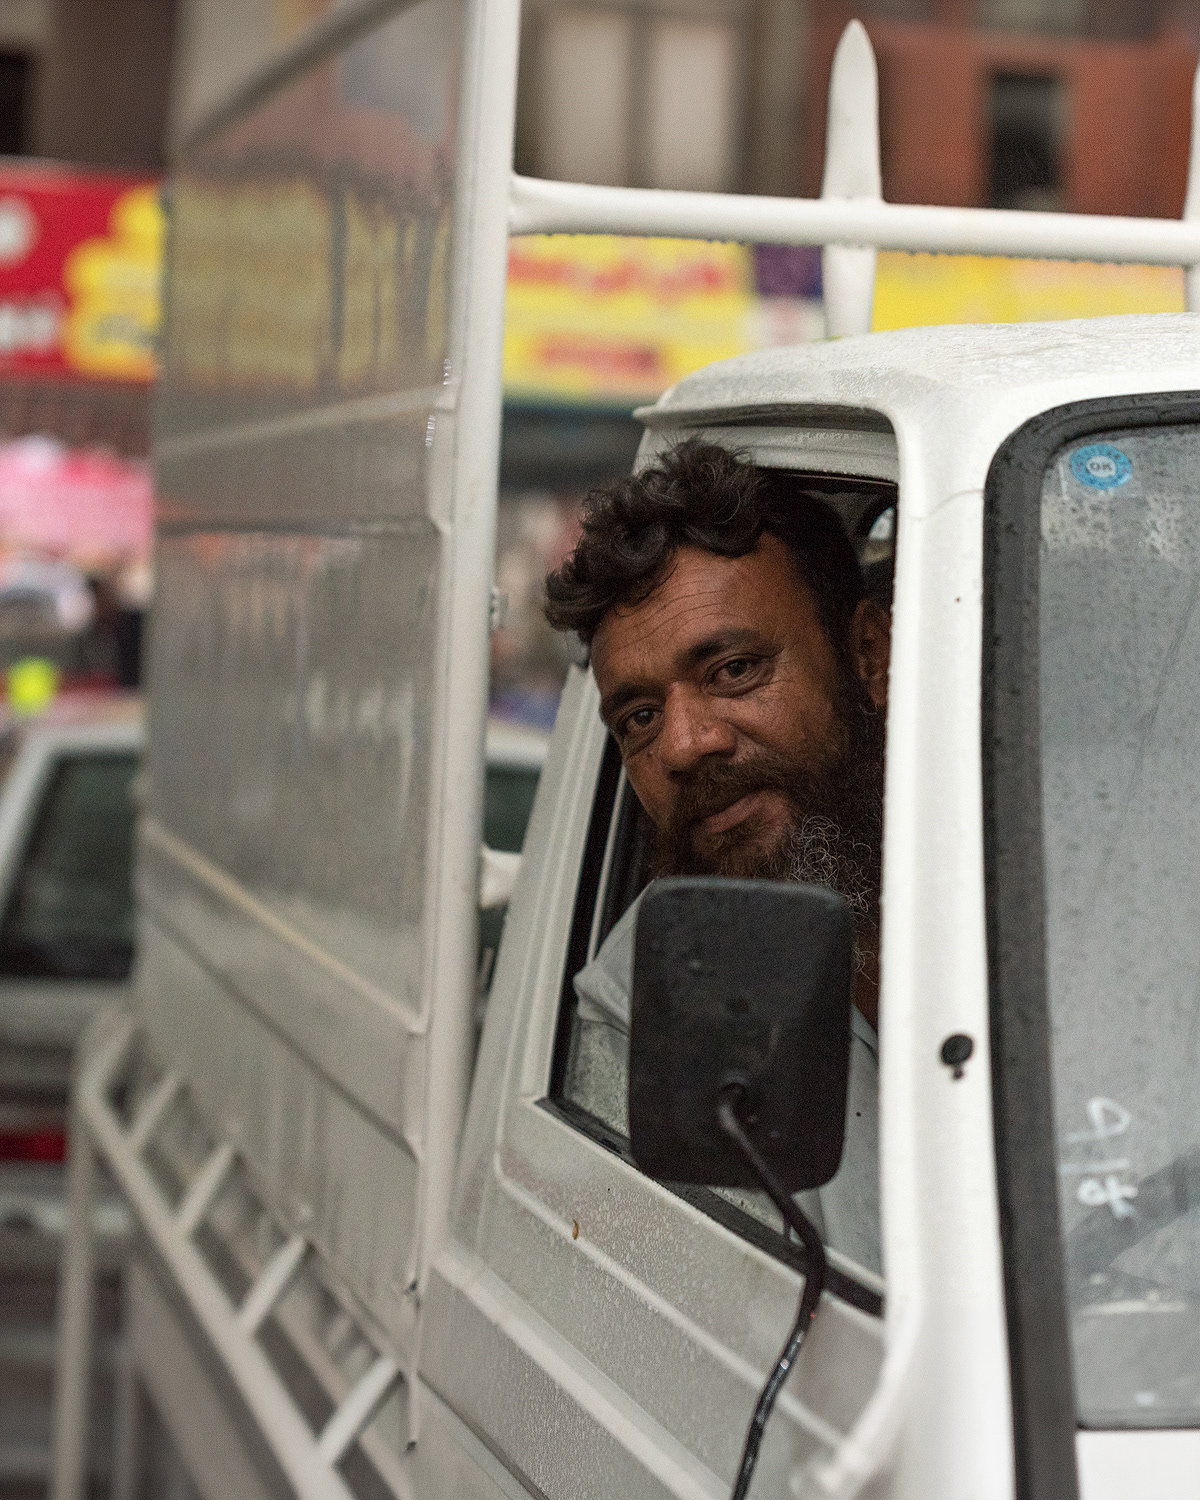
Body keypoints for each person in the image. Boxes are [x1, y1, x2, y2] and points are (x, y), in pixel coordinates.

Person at [543, 440, 890, 1275]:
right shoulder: (647, 1001)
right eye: (639, 718)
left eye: (734, 670)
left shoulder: (1067, 882)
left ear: (870, 657)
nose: (685, 744)